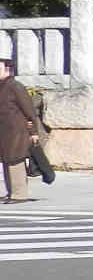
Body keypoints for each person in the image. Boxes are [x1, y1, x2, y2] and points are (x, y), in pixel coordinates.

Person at [0, 58, 42, 204]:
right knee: (6, 160)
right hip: (4, 132)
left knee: (15, 160)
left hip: (17, 131)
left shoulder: (16, 86)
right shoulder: (2, 86)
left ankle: (19, 194)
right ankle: (11, 191)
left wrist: (34, 132)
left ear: (8, 70)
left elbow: (29, 111)